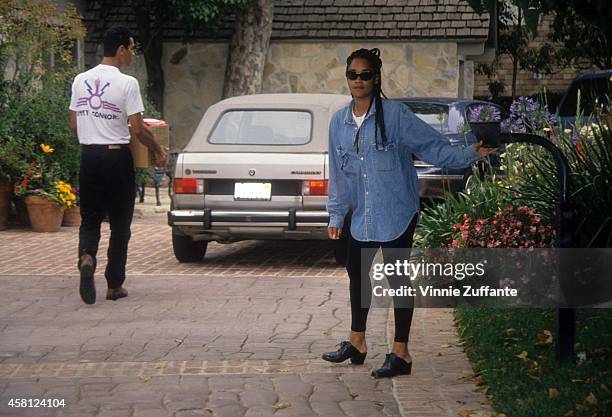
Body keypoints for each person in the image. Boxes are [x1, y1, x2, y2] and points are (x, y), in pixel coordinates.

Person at [322, 48, 496, 378]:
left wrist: (472, 153)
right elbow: (339, 172)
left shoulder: (397, 116)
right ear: (347, 78)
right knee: (357, 276)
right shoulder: (339, 123)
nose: (358, 81)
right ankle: (357, 344)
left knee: (397, 278)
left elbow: (435, 148)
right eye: (352, 75)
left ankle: (401, 353)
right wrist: (336, 214)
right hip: (361, 215)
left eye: (365, 75)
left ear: (376, 77)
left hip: (397, 210)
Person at [69, 26, 167, 305]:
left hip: (89, 157)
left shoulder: (80, 80)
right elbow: (138, 129)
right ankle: (114, 285)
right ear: (121, 49)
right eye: (132, 48)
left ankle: (87, 256)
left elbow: (74, 123)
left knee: (89, 220)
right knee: (120, 225)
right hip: (116, 159)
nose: (133, 54)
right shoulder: (127, 83)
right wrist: (158, 149)